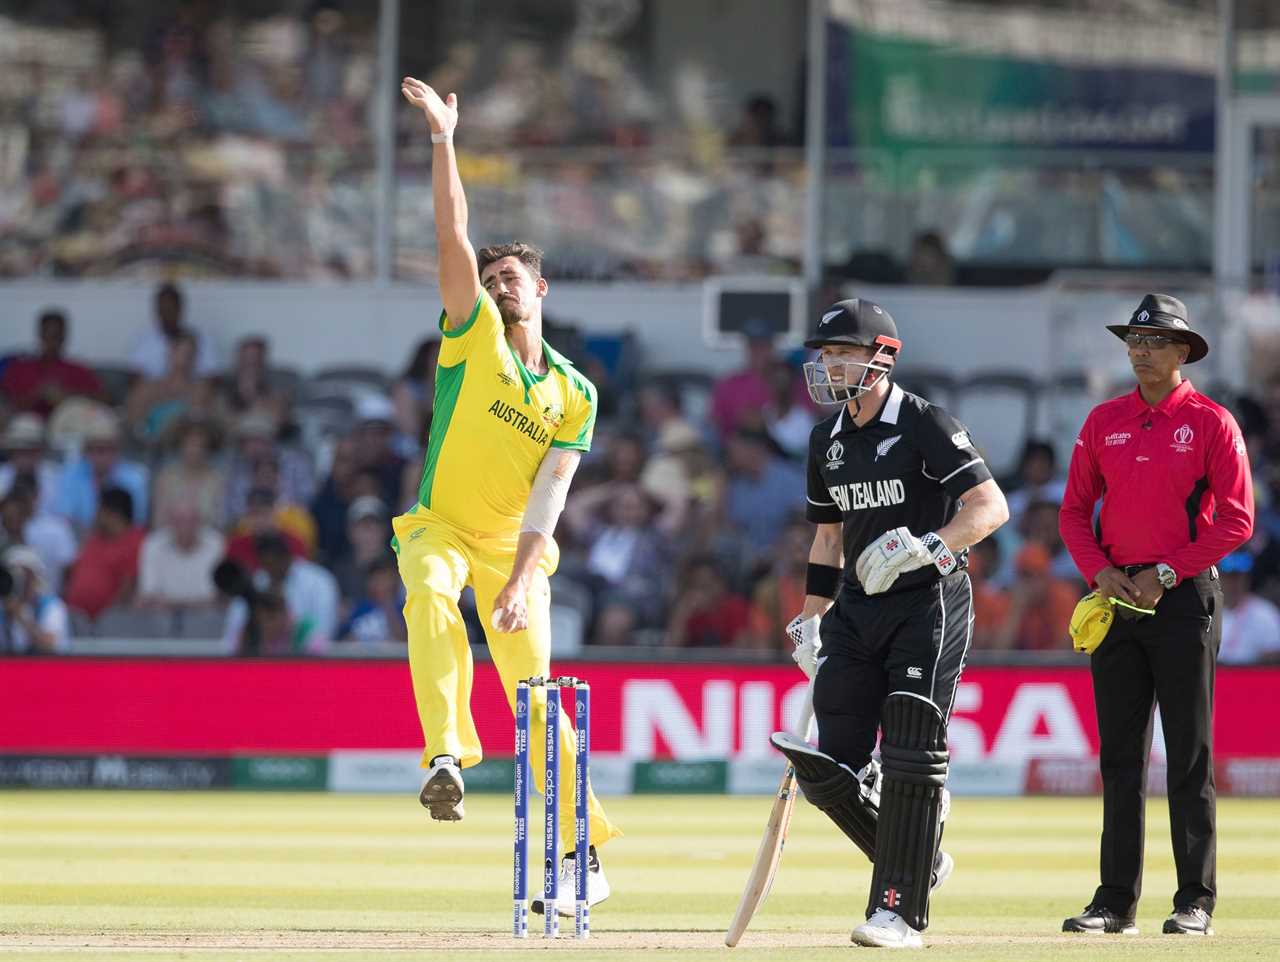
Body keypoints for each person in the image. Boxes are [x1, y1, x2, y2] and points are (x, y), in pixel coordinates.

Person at [395, 75, 620, 918]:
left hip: (514, 553)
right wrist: (444, 139)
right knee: (426, 589)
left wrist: (522, 582)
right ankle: (447, 757)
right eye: (491, 276)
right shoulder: (472, 336)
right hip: (438, 528)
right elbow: (451, 231)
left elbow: (550, 499)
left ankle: (586, 853)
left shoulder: (574, 393)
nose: (499, 283)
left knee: (539, 703)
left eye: (513, 275)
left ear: (542, 289)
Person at [770, 298, 1008, 948]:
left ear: (882, 355)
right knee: (831, 770)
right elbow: (827, 539)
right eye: (823, 353)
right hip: (855, 608)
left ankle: (898, 913)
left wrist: (930, 544)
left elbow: (989, 507)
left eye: (841, 351)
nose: (828, 364)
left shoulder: (924, 421)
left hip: (926, 603)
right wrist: (811, 621)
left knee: (908, 756)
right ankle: (920, 854)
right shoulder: (828, 439)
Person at [1058, 294, 1254, 937]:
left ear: (1182, 352)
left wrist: (1165, 572)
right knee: (1119, 757)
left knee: (1189, 756)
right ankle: (1115, 902)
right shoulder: (1103, 420)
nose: (1139, 349)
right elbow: (1072, 512)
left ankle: (1195, 899)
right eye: (1133, 340)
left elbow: (1236, 520)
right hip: (1116, 599)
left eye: (1153, 340)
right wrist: (1102, 573)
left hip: (1183, 601)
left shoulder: (1211, 422)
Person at [63, 487, 145, 621]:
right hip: (74, 618)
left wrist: (107, 620)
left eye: (99, 510)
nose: (95, 515)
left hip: (108, 623)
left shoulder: (135, 541)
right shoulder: (93, 539)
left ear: (113, 514)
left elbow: (129, 586)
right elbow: (74, 575)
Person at [0, 309, 103, 417]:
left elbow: (105, 399)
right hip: (28, 425)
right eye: (47, 336)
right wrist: (39, 394)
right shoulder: (19, 368)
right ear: (40, 335)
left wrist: (68, 395)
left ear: (64, 337)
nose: (52, 343)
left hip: (70, 425)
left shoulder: (78, 369)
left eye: (56, 337)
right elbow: (7, 404)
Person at [128, 283, 220, 379]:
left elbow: (212, 377)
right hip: (155, 390)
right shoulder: (143, 340)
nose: (165, 315)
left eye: (170, 309)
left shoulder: (202, 339)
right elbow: (133, 377)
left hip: (191, 390)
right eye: (162, 309)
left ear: (180, 309)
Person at [0, 546, 70, 654]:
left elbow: (49, 645)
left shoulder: (52, 606)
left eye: (26, 575)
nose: (21, 580)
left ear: (35, 577)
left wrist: (20, 616)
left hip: (45, 667)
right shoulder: (3, 605)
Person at [1217, 550, 1280, 665]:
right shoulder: (1207, 612)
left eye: (1239, 578)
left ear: (1247, 579)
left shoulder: (1265, 613)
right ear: (1219, 578)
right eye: (1229, 578)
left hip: (1251, 678)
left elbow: (1274, 658)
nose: (1234, 584)